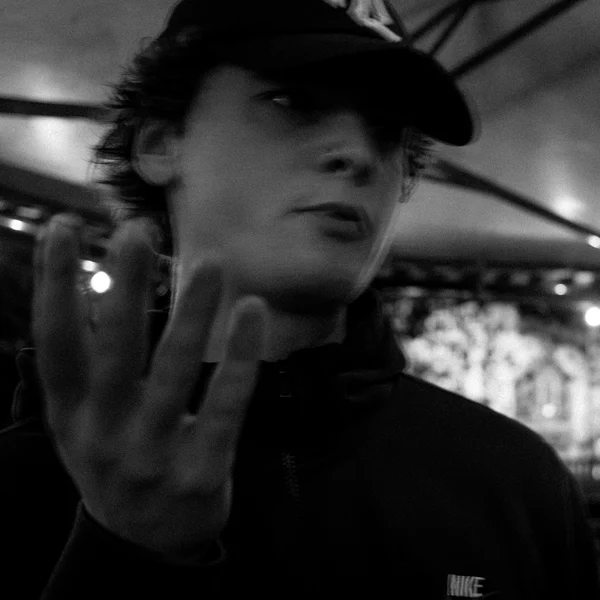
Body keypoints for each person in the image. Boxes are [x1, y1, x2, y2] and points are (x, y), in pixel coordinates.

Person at [1, 0, 599, 598]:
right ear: (160, 142)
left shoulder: (510, 480)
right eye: (293, 102)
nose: (359, 155)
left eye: (387, 132)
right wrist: (125, 555)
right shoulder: (30, 476)